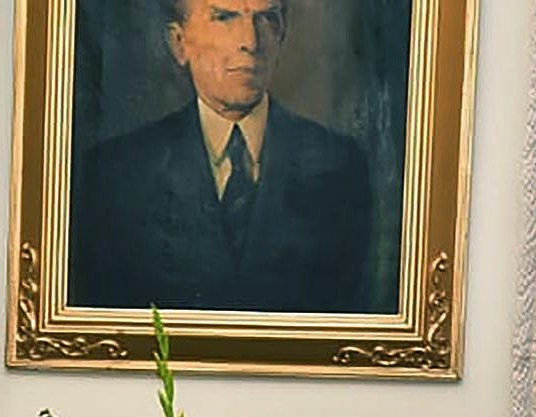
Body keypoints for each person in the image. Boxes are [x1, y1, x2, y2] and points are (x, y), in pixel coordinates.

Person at [69, 0, 382, 314]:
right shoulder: (117, 172)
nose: (250, 41)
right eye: (224, 17)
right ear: (179, 43)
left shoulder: (340, 165)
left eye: (266, 18)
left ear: (282, 32)